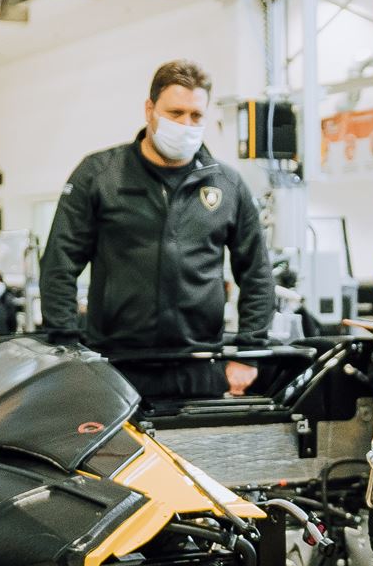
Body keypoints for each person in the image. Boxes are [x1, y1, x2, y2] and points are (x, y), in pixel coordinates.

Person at [39, 59, 273, 400]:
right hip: (115, 366)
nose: (186, 124)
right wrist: (67, 347)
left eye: (196, 116)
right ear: (149, 110)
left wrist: (249, 353)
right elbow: (59, 264)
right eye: (175, 113)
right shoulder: (100, 175)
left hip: (199, 366)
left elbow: (257, 273)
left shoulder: (227, 184)